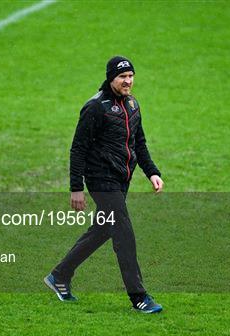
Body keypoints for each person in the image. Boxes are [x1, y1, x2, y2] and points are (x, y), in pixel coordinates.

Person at [44, 56, 164, 314]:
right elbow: (78, 149)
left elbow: (139, 143)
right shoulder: (95, 107)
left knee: (103, 229)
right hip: (101, 180)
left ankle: (59, 276)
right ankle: (138, 296)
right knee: (124, 233)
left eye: (131, 76)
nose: (128, 81)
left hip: (122, 179)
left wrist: (152, 172)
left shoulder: (132, 104)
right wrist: (76, 188)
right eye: (122, 77)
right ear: (111, 78)